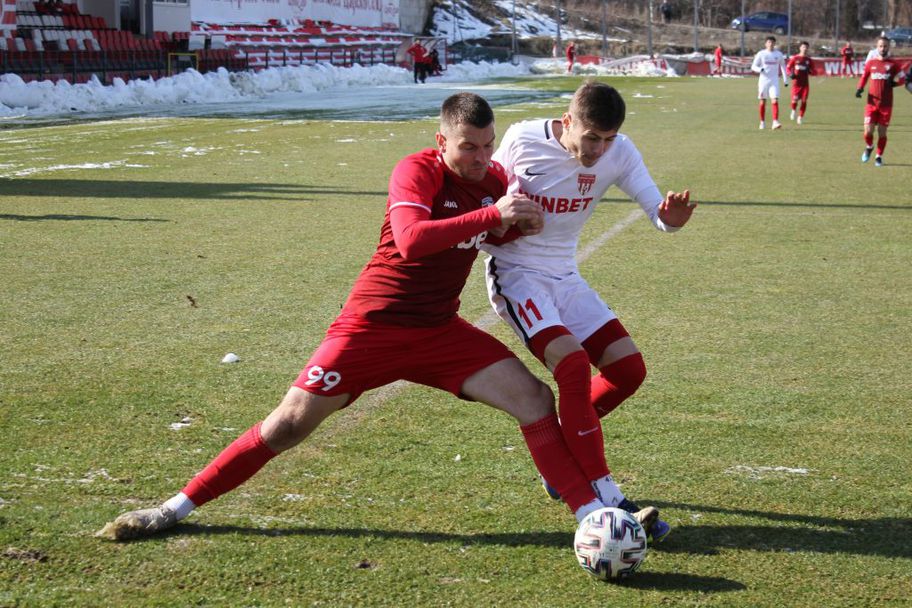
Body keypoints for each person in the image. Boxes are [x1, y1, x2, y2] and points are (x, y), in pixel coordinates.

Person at [96, 93, 664, 542]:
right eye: (468, 147)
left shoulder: (492, 181)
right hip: (372, 327)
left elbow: (491, 231)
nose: (481, 158)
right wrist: (494, 214)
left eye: (488, 146)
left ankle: (592, 516)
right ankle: (172, 508)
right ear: (441, 141)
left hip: (439, 331)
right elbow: (413, 240)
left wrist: (518, 225)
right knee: (287, 425)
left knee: (534, 400)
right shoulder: (416, 171)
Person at [481, 81, 698, 543]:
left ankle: (562, 461)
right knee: (574, 365)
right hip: (517, 274)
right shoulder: (522, 139)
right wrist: (505, 214)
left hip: (565, 277)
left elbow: (656, 210)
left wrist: (670, 220)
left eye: (608, 139)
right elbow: (486, 198)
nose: (599, 150)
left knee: (628, 370)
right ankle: (608, 496)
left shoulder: (620, 152)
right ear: (567, 122)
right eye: (592, 138)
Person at [856, 36, 906, 167]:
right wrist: (860, 88)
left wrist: (895, 84)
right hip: (871, 103)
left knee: (882, 133)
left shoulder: (894, 64)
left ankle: (878, 156)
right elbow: (864, 77)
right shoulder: (871, 63)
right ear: (877, 47)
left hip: (886, 105)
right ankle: (869, 146)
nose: (883, 48)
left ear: (888, 47)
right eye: (880, 46)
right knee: (868, 131)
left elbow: (903, 79)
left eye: (885, 46)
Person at [751, 36, 788, 130]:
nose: (770, 44)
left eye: (772, 42)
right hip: (763, 81)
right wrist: (760, 69)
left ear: (774, 43)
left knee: (775, 100)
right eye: (769, 42)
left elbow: (783, 66)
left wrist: (785, 79)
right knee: (762, 101)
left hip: (774, 80)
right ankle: (762, 122)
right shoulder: (761, 54)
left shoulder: (778, 54)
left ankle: (775, 122)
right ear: (765, 44)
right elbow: (753, 66)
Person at [787, 41, 815, 125]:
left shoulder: (809, 60)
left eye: (806, 47)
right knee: (794, 100)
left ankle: (800, 117)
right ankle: (793, 110)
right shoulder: (795, 58)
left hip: (805, 84)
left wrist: (810, 71)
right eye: (803, 47)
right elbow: (788, 68)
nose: (805, 49)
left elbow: (814, 71)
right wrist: (790, 74)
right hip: (796, 84)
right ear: (800, 48)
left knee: (804, 101)